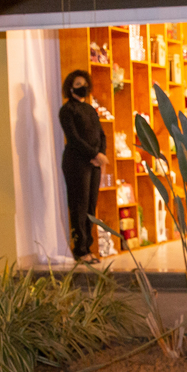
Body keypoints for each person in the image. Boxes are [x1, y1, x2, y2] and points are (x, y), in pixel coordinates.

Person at [58, 70, 108, 263]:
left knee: (90, 206)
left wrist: (100, 154)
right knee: (79, 205)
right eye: (79, 83)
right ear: (71, 87)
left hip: (93, 163)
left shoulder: (90, 109)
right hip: (76, 163)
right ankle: (80, 250)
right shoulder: (67, 110)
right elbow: (74, 138)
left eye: (85, 83)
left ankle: (88, 247)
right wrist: (94, 154)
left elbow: (101, 134)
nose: (83, 87)